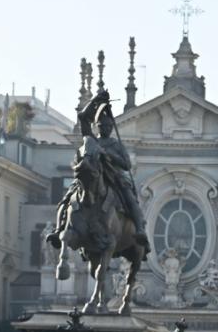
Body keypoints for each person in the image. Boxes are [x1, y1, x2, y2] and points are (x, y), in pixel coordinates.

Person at [47, 90, 149, 251]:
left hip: (114, 178)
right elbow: (83, 117)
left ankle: (140, 229)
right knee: (67, 199)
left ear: (111, 128)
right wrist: (96, 100)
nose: (105, 128)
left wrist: (108, 154)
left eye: (108, 126)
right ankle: (59, 229)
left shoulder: (116, 145)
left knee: (130, 199)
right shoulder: (92, 140)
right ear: (97, 127)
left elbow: (126, 165)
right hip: (91, 177)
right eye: (101, 126)